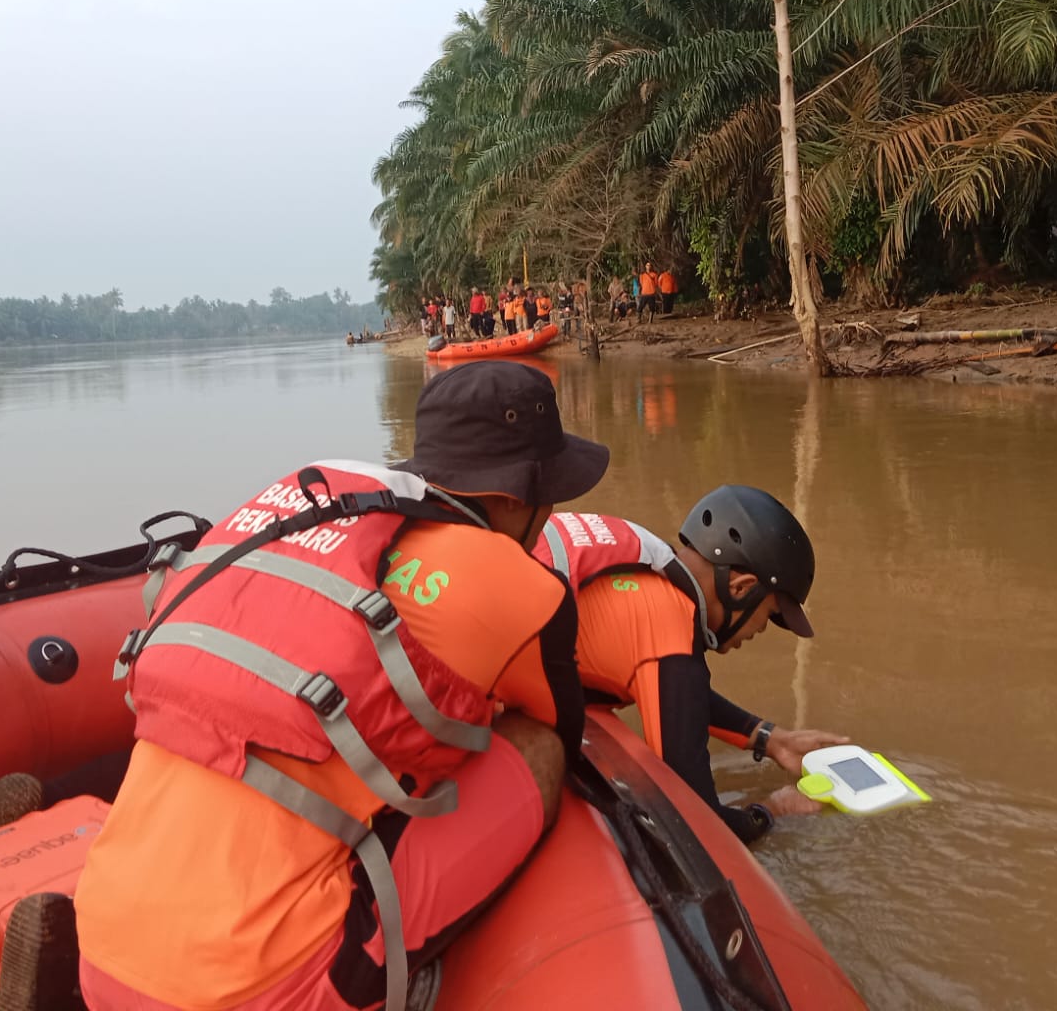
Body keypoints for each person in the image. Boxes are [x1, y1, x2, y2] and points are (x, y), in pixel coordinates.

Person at [71, 362, 607, 1011]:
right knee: (535, 748)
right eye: (549, 499)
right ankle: (420, 985)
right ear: (517, 500)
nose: (550, 515)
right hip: (257, 985)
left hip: (97, 943)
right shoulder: (518, 584)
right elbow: (563, 732)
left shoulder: (289, 523)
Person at [531, 487, 846, 844]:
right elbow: (697, 822)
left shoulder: (650, 563)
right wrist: (772, 812)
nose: (760, 630)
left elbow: (679, 698)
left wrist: (770, 738)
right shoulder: (670, 634)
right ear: (742, 589)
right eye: (770, 615)